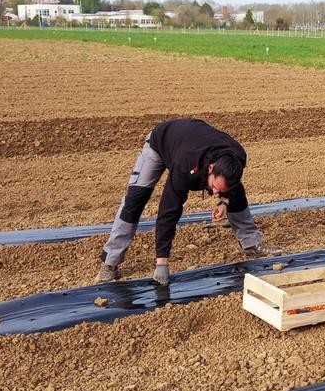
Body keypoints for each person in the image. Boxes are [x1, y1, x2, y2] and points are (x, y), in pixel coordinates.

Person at [97, 118, 283, 285]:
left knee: (237, 193)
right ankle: (110, 262)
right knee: (135, 199)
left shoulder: (236, 157)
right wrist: (162, 261)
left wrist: (224, 201)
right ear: (211, 168)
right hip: (160, 142)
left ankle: (251, 244)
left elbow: (231, 187)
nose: (215, 192)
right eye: (214, 187)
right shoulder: (185, 166)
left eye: (219, 190)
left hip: (193, 138)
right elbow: (169, 210)